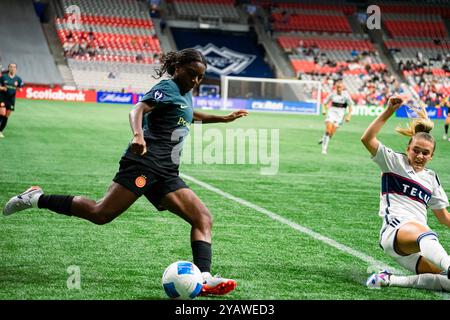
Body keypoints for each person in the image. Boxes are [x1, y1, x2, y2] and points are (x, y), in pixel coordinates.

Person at [2, 48, 248, 296]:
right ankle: (35, 198)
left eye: (200, 77)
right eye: (192, 75)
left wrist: (223, 119)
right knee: (100, 213)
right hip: (143, 163)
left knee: (202, 218)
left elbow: (188, 114)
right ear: (177, 69)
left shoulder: (185, 93)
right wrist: (138, 135)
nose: (196, 81)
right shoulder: (168, 87)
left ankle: (204, 278)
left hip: (167, 171)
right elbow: (137, 109)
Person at [361, 96, 450, 292]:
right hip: (396, 233)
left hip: (418, 246)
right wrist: (388, 112)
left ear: (431, 156)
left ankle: (388, 279)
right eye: (416, 150)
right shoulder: (393, 162)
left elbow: (444, 218)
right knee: (425, 234)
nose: (419, 156)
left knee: (446, 280)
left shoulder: (431, 178)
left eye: (425, 153)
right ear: (407, 149)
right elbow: (367, 139)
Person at [318, 81, 354, 154]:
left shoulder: (346, 95)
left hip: (340, 116)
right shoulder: (332, 94)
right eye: (337, 87)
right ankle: (324, 149)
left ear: (343, 88)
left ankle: (324, 139)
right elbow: (325, 103)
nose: (338, 89)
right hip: (331, 113)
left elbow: (350, 106)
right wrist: (324, 110)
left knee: (331, 133)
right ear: (335, 87)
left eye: (340, 87)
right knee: (328, 130)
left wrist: (349, 116)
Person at [0, 63, 24, 138]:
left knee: (7, 115)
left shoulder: (18, 79)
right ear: (8, 68)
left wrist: (20, 89)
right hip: (2, 97)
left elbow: (21, 88)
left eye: (14, 67)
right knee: (2, 113)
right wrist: (2, 88)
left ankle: (0, 130)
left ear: (16, 69)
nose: (12, 68)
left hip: (11, 99)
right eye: (11, 67)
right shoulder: (3, 77)